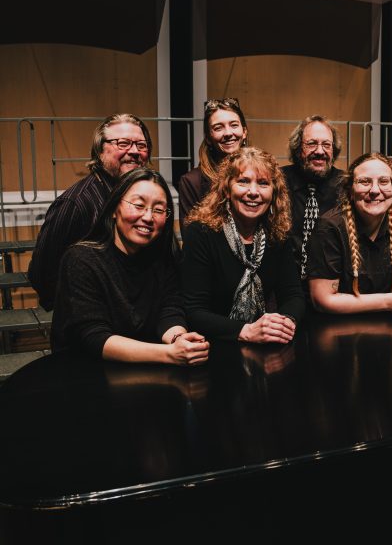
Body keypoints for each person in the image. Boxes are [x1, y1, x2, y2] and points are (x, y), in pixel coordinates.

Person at [50, 168, 209, 365]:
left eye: (159, 209)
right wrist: (169, 353)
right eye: (138, 205)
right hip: (86, 376)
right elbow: (93, 337)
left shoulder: (163, 259)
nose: (148, 217)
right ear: (115, 208)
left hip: (143, 374)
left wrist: (179, 338)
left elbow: (170, 310)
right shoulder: (81, 259)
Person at [29, 113, 152, 311]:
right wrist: (81, 309)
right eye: (123, 144)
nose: (135, 151)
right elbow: (41, 273)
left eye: (141, 145)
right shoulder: (76, 203)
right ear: (99, 151)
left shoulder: (143, 196)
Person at [182, 147, 305, 342]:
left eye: (263, 183)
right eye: (243, 181)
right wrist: (247, 331)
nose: (253, 192)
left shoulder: (277, 234)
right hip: (211, 346)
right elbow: (194, 312)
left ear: (274, 193)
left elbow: (293, 296)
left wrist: (284, 323)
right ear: (227, 190)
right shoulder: (201, 232)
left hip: (263, 344)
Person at [307, 153, 392, 315]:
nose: (375, 190)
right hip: (341, 328)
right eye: (364, 182)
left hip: (390, 325)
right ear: (350, 190)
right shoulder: (330, 227)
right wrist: (388, 301)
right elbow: (323, 300)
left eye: (383, 181)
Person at [281, 115, 345, 278]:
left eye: (326, 145)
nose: (319, 151)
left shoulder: (347, 186)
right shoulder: (278, 181)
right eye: (311, 144)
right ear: (297, 148)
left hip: (332, 281)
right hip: (286, 281)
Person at [178, 97, 248, 225]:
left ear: (244, 132)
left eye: (234, 125)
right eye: (218, 128)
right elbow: (190, 237)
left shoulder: (261, 174)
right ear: (208, 138)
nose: (228, 133)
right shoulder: (192, 182)